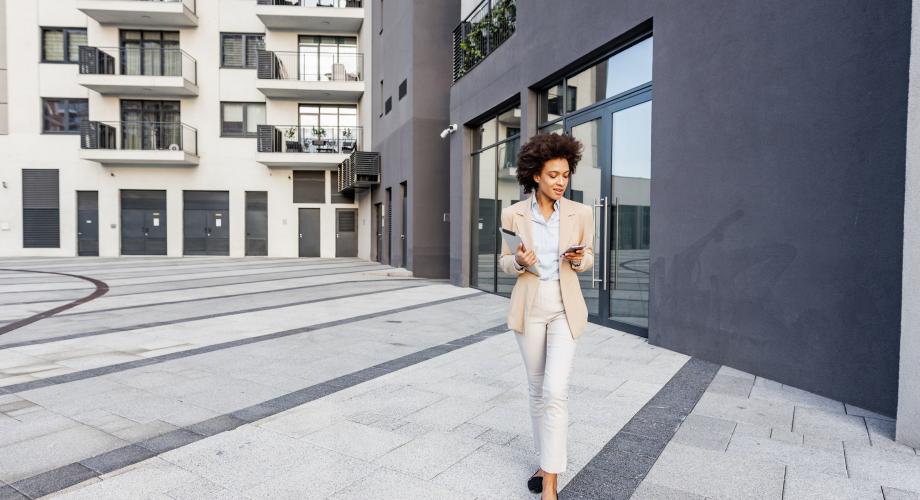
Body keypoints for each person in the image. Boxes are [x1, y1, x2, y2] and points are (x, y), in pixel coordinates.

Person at [499, 133, 594, 499]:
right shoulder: (513, 214)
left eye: (566, 174)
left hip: (565, 308)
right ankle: (545, 460)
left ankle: (550, 480)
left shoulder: (581, 213)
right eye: (553, 174)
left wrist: (578, 259)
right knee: (537, 390)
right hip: (530, 308)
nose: (560, 182)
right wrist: (518, 262)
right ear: (535, 175)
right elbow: (504, 261)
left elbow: (588, 259)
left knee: (555, 391)